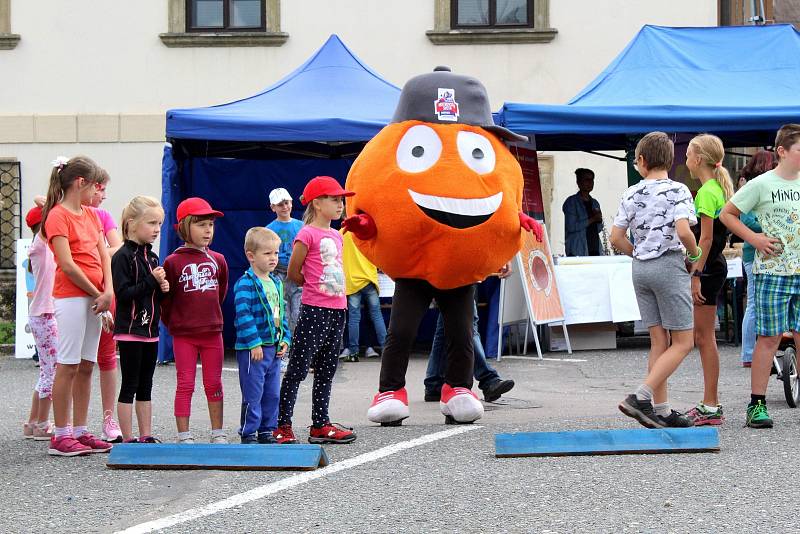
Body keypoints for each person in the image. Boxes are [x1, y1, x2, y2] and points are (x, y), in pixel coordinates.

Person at [611, 132, 701, 429]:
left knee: (658, 341)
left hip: (641, 268)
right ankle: (641, 396)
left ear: (641, 161)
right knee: (684, 341)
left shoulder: (630, 193)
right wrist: (694, 254)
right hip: (668, 265)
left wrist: (637, 252)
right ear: (671, 159)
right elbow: (685, 232)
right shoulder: (679, 190)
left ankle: (660, 411)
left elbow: (615, 238)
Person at [720, 124, 800, 429]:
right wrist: (754, 239)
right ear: (782, 151)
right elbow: (727, 214)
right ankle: (757, 404)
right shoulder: (762, 184)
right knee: (769, 337)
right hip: (773, 272)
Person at [275, 176, 356, 445]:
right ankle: (283, 426)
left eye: (341, 200)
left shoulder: (336, 234)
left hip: (337, 309)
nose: (340, 204)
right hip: (314, 309)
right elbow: (294, 271)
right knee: (298, 368)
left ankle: (320, 424)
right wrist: (315, 289)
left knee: (326, 369)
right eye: (334, 199)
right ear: (317, 204)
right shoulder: (306, 233)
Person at [41, 155, 114, 456]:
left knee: (87, 364)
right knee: (68, 365)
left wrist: (107, 291)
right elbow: (67, 265)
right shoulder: (58, 215)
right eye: (96, 185)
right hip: (72, 296)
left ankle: (81, 431)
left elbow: (104, 254)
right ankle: (61, 434)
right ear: (80, 183)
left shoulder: (91, 215)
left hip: (95, 296)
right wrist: (98, 292)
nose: (99, 192)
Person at [161, 197, 229, 444]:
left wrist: (209, 317)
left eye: (210, 224)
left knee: (214, 382)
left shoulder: (218, 260)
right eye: (200, 224)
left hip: (212, 331)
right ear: (184, 227)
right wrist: (177, 323)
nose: (207, 230)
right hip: (184, 334)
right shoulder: (172, 261)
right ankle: (183, 434)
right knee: (185, 383)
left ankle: (218, 432)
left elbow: (220, 291)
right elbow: (165, 299)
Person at [683, 134, 734, 426]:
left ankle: (711, 404)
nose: (686, 159)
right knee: (705, 338)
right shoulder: (716, 188)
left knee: (703, 338)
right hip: (715, 265)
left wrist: (696, 274)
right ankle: (710, 402)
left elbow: (705, 237)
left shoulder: (705, 193)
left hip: (709, 269)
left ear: (699, 159)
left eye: (689, 154)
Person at [111, 196, 167, 443]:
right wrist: (151, 281)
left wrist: (163, 288)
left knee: (146, 384)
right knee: (130, 383)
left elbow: (152, 296)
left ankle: (146, 435)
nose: (156, 229)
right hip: (130, 330)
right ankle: (128, 437)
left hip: (150, 330)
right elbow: (123, 294)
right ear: (132, 223)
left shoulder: (152, 257)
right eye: (152, 223)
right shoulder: (122, 256)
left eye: (160, 224)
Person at [233, 227, 291, 444]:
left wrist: (285, 338)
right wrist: (254, 343)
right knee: (253, 394)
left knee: (272, 393)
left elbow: (281, 312)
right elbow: (243, 315)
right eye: (267, 253)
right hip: (253, 351)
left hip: (274, 349)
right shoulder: (245, 284)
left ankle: (267, 429)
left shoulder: (276, 282)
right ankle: (249, 432)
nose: (273, 258)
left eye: (275, 253)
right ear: (251, 256)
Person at [424, 281, 515, 403]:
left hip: (454, 273)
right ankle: (487, 379)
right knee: (466, 323)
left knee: (448, 326)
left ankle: (434, 382)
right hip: (453, 273)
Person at [737, 150, 777, 367]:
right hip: (754, 253)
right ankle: (749, 354)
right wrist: (774, 223)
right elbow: (747, 220)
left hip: (769, 254)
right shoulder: (752, 188)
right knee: (753, 302)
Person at [22, 205, 57, 441]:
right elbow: (44, 202)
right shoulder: (41, 246)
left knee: (46, 370)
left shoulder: (41, 247)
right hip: (45, 314)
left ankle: (32, 422)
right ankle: (43, 423)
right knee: (52, 371)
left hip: (42, 313)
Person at [340, 230, 386, 362]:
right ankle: (386, 349)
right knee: (377, 315)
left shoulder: (341, 233)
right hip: (369, 279)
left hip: (353, 282)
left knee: (354, 318)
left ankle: (353, 353)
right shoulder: (368, 233)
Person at [563, 168, 604, 257]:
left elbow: (599, 229)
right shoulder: (571, 202)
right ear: (578, 182)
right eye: (587, 180)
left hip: (595, 248)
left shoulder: (595, 202)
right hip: (577, 249)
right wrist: (593, 219)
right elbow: (571, 227)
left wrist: (599, 220)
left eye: (592, 180)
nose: (590, 182)